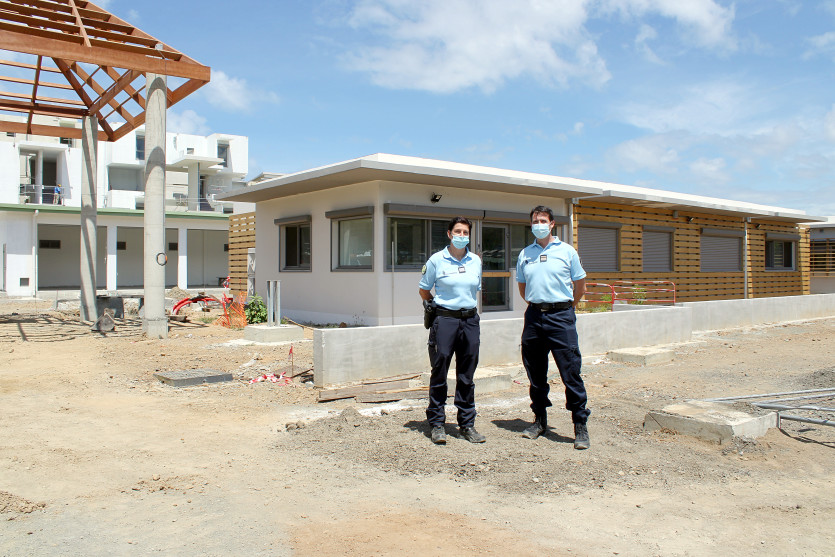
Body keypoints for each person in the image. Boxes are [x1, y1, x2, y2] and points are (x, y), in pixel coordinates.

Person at [516, 205, 590, 449]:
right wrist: (538, 304)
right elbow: (523, 287)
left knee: (570, 372)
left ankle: (580, 425)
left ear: (552, 224)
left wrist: (567, 307)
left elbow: (580, 285)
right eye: (535, 221)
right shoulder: (525, 253)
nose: (539, 224)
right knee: (535, 373)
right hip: (534, 317)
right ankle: (539, 421)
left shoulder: (567, 251)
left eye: (543, 220)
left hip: (561, 317)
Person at [418, 216, 485, 445]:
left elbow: (474, 290)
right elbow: (424, 290)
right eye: (457, 231)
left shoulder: (475, 261)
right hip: (445, 320)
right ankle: (437, 423)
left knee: (467, 375)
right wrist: (438, 309)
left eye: (465, 232)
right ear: (449, 234)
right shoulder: (436, 260)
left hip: (470, 321)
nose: (461, 236)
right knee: (440, 372)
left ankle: (467, 424)